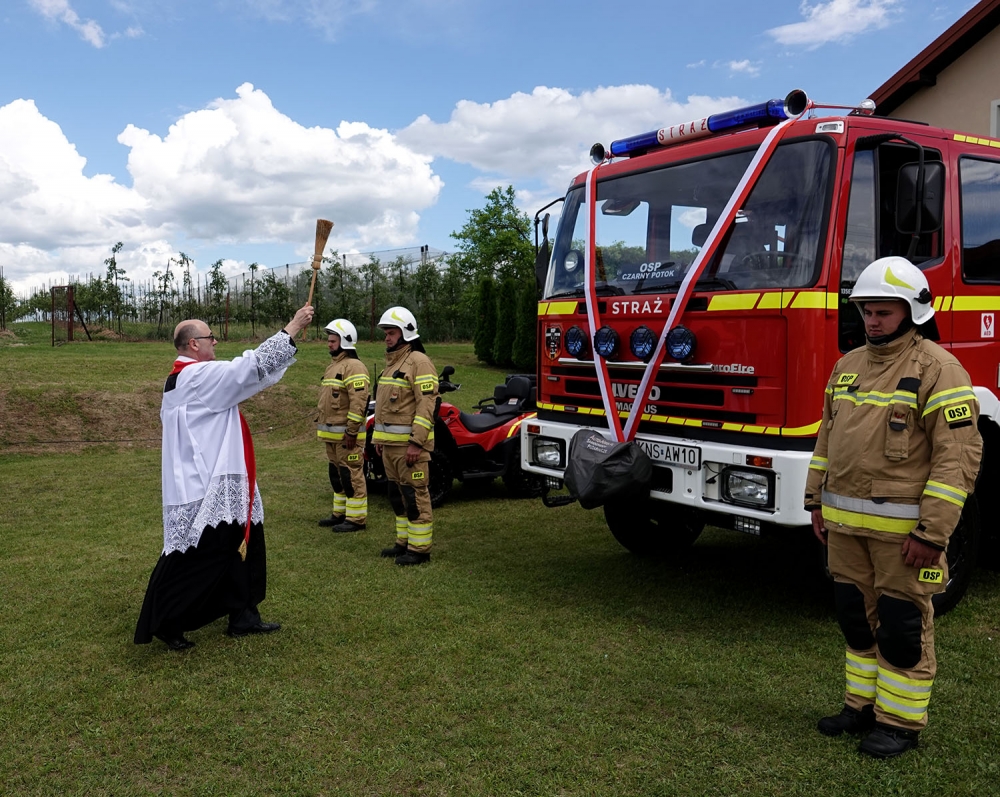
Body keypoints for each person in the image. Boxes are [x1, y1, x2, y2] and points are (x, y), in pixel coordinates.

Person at [804, 257, 982, 758]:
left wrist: (932, 534)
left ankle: (900, 723)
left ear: (913, 311)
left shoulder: (939, 369)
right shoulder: (847, 366)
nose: (873, 321)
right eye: (867, 311)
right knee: (855, 620)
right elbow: (827, 439)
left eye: (884, 311)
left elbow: (959, 458)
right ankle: (860, 707)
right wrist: (815, 501)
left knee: (902, 625)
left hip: (905, 538)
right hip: (844, 528)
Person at [135, 304, 315, 651]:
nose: (215, 343)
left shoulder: (182, 377)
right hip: (208, 481)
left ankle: (243, 614)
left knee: (242, 546)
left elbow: (245, 377)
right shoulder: (195, 376)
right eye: (210, 338)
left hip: (220, 474)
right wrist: (292, 326)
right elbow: (245, 369)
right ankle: (166, 621)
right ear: (193, 346)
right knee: (200, 556)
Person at [372, 306, 438, 565]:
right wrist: (379, 439)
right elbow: (384, 406)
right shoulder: (392, 364)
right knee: (396, 495)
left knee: (414, 496)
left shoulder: (419, 362)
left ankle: (420, 550)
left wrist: (416, 442)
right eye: (386, 333)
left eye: (391, 333)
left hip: (410, 449)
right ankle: (403, 543)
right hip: (390, 447)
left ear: (406, 333)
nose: (387, 338)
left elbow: (426, 405)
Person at [316, 318, 370, 532]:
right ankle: (340, 514)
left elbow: (359, 403)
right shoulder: (334, 367)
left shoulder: (354, 367)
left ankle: (356, 519)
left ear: (346, 340)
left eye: (333, 340)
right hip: (332, 435)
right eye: (328, 340)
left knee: (351, 475)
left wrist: (351, 431)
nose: (328, 344)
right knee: (336, 475)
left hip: (347, 436)